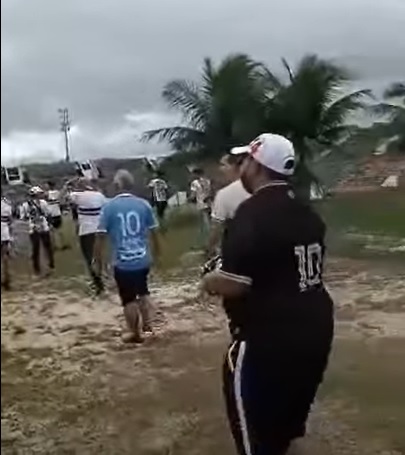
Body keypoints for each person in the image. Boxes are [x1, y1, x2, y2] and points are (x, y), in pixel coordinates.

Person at [202, 133, 334, 455]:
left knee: (255, 435)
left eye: (245, 160)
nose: (241, 166)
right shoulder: (306, 211)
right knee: (283, 428)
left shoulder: (252, 213)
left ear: (257, 166)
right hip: (315, 330)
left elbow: (236, 283)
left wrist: (208, 280)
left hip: (268, 339)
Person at [94, 170, 161, 343]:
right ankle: (148, 326)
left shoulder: (109, 207)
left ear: (117, 185)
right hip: (142, 256)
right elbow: (154, 232)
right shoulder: (144, 204)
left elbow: (100, 236)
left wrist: (98, 260)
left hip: (122, 260)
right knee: (143, 291)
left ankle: (135, 333)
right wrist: (158, 253)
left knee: (128, 298)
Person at [207, 149, 250, 258]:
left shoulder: (224, 194)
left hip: (241, 252)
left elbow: (216, 228)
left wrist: (209, 249)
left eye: (223, 165)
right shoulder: (263, 186)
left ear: (236, 166)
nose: (220, 169)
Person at [70, 178, 106, 295]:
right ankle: (99, 278)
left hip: (85, 231)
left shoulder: (78, 196)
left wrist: (67, 185)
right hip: (99, 230)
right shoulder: (99, 195)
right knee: (98, 257)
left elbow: (61, 198)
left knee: (89, 258)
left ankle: (97, 283)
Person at [21, 186, 55, 276]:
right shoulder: (43, 203)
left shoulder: (25, 205)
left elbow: (23, 217)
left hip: (34, 227)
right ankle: (49, 265)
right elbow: (48, 214)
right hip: (42, 226)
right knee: (46, 247)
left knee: (37, 248)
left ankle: (38, 268)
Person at [189, 167, 212, 249]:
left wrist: (190, 199)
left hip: (201, 205)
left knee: (205, 225)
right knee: (209, 223)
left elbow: (193, 195)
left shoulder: (195, 183)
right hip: (209, 204)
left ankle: (207, 243)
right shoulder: (207, 181)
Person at [46, 180, 68, 250]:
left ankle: (54, 246)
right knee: (59, 230)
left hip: (50, 214)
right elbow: (63, 192)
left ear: (49, 186)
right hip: (57, 213)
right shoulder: (58, 193)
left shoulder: (47, 194)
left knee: (51, 231)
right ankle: (62, 244)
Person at [1, 193, 13, 289]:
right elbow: (10, 219)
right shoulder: (7, 203)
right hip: (4, 232)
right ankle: (7, 279)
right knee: (5, 257)